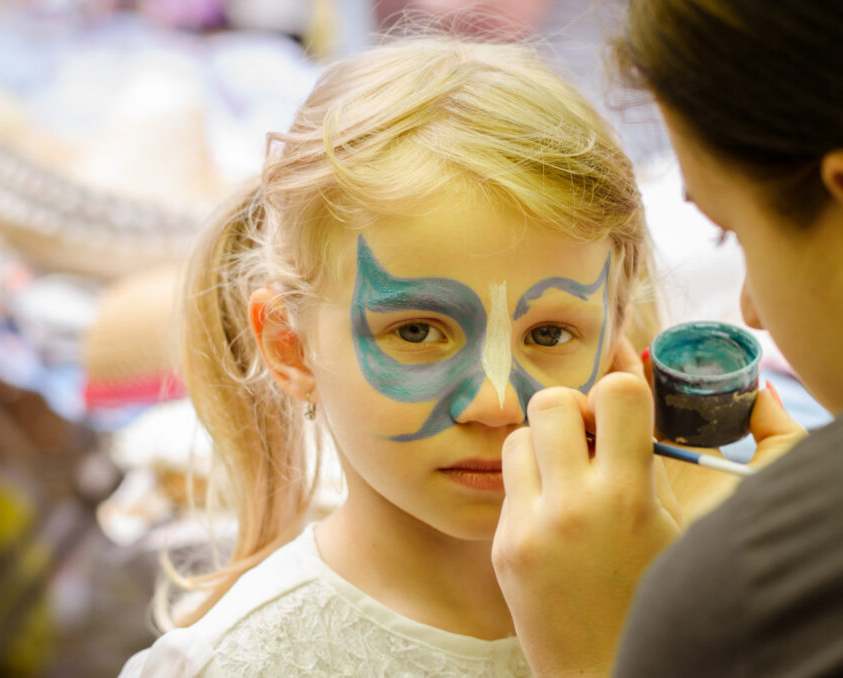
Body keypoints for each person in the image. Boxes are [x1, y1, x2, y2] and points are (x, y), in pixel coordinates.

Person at [118, 34, 712, 677]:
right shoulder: (236, 665)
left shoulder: (708, 597)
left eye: (548, 335)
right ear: (291, 347)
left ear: (617, 342)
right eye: (418, 332)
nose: (496, 401)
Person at [491, 1, 842, 676]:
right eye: (416, 331)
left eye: (729, 229)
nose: (751, 311)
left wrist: (605, 651)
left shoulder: (747, 592)